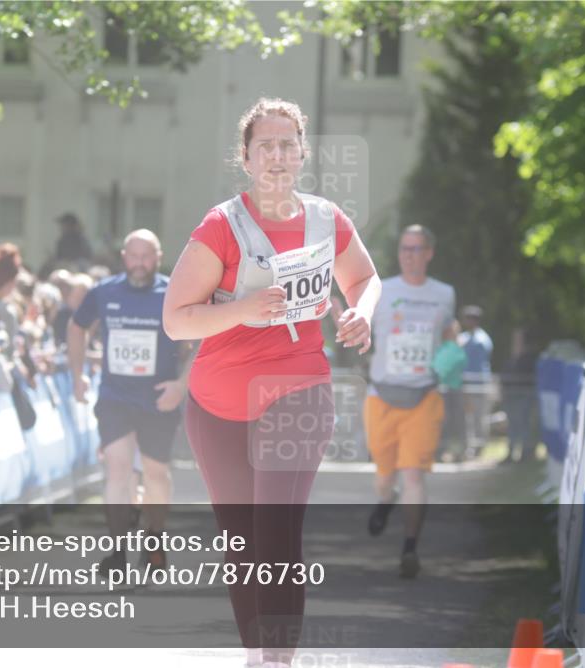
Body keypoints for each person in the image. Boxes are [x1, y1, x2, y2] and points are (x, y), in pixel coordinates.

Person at [162, 97, 380, 668]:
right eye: (266, 147)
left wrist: (362, 313)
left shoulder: (327, 220)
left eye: (288, 145)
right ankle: (258, 655)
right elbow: (176, 319)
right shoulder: (222, 226)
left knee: (277, 532)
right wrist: (244, 310)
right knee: (242, 544)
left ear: (303, 152)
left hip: (297, 389)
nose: (278, 156)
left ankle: (279, 660)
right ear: (246, 157)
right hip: (217, 403)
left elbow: (364, 278)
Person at [68, 229, 193, 575]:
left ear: (158, 257)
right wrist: (77, 374)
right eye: (134, 256)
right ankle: (118, 552)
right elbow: (77, 327)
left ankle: (154, 541)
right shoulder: (104, 291)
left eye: (146, 257)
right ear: (124, 257)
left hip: (158, 398)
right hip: (116, 397)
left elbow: (202, 341)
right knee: (118, 469)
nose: (140, 263)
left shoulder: (173, 293)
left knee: (155, 474)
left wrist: (181, 385)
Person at [364, 224, 455, 579]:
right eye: (404, 248)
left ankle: (410, 548)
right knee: (385, 475)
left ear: (429, 253)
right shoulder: (381, 290)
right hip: (382, 396)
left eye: (416, 248)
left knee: (413, 474)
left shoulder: (444, 294)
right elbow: (361, 325)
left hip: (424, 395)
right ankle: (385, 500)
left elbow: (448, 330)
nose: (409, 255)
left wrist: (452, 354)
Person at [458, 304, 493, 460]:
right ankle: (468, 446)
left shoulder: (481, 340)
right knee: (467, 417)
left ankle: (479, 447)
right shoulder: (464, 337)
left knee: (479, 416)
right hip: (465, 383)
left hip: (478, 384)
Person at [501, 327, 539, 464]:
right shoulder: (511, 357)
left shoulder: (530, 359)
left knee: (524, 425)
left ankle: (526, 453)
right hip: (511, 396)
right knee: (512, 425)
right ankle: (511, 452)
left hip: (524, 396)